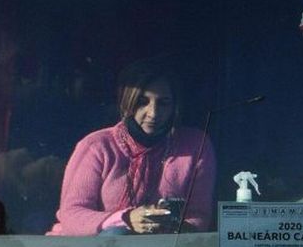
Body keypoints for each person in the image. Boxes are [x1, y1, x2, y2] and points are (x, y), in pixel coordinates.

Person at [48, 64, 216, 236]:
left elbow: (198, 216)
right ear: (127, 102)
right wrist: (126, 219)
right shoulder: (97, 146)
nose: (153, 113)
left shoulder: (196, 145)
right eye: (142, 102)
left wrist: (170, 227)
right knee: (116, 234)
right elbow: (72, 216)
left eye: (163, 103)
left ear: (175, 106)